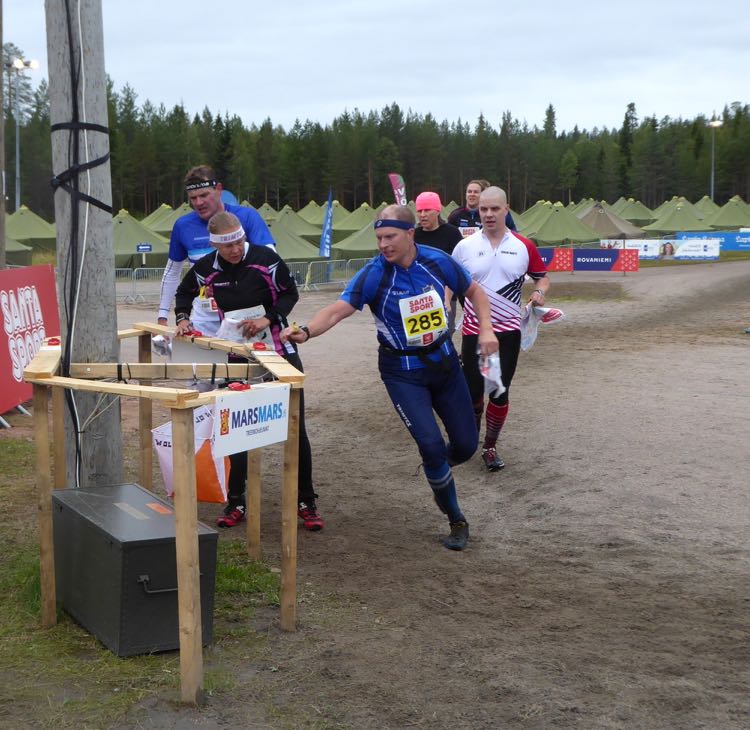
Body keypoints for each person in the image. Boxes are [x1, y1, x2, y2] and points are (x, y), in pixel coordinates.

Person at [281, 205, 498, 551]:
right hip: (403, 374)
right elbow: (338, 309)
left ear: (410, 234)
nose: (383, 244)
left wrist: (486, 329)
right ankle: (456, 519)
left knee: (466, 446)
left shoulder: (438, 261)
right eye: (379, 237)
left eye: (390, 236)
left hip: (445, 366)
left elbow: (475, 292)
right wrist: (307, 331)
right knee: (430, 446)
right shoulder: (373, 274)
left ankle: (436, 465)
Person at [174, 211, 323, 531]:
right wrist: (182, 318)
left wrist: (269, 319)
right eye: (227, 245)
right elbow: (184, 292)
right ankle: (237, 501)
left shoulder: (265, 259)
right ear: (214, 244)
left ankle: (306, 500)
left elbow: (290, 293)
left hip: (279, 352)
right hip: (239, 357)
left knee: (295, 428)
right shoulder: (205, 269)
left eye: (239, 241)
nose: (235, 249)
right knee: (236, 430)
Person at [452, 186, 550, 472]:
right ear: (477, 211)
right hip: (473, 331)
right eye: (483, 209)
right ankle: (469, 441)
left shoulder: (523, 245)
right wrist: (446, 300)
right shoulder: (464, 246)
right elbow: (449, 279)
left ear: (507, 210)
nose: (489, 214)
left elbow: (541, 277)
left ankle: (490, 447)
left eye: (495, 209)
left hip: (508, 333)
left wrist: (539, 293)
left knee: (499, 391)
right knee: (472, 394)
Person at [158, 165, 275, 335]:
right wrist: (162, 317)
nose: (198, 203)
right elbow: (171, 273)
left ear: (219, 189)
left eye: (204, 195)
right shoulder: (183, 226)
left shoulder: (247, 217)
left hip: (244, 316)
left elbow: (270, 260)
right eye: (193, 198)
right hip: (204, 318)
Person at [414, 191, 464, 332]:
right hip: (419, 296)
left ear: (437, 211)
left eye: (427, 210)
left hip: (446, 293)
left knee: (445, 334)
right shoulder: (413, 235)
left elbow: (456, 267)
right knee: (419, 337)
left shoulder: (452, 233)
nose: (422, 214)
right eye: (419, 210)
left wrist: (447, 297)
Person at [448, 179, 516, 237]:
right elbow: (449, 236)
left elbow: (512, 231)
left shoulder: (490, 214)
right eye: (469, 192)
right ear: (466, 194)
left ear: (482, 195)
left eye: (476, 192)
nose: (472, 194)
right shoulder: (455, 215)